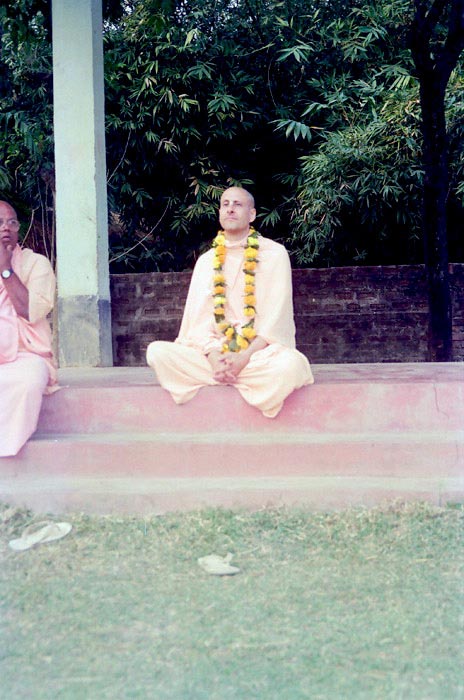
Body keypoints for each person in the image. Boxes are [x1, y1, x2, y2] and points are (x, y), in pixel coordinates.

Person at [146, 186, 314, 417]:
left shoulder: (274, 254)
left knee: (291, 365)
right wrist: (216, 358)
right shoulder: (207, 262)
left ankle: (228, 376)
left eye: (237, 204)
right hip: (214, 354)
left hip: (258, 354)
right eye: (225, 204)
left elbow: (276, 320)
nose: (230, 209)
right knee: (157, 352)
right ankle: (225, 374)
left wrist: (243, 358)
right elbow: (198, 324)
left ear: (252, 215)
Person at [0, 200, 58, 457]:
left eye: (11, 222)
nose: (5, 229)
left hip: (26, 355)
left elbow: (29, 311)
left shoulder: (37, 265)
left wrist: (5, 268)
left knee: (28, 380)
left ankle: (4, 448)